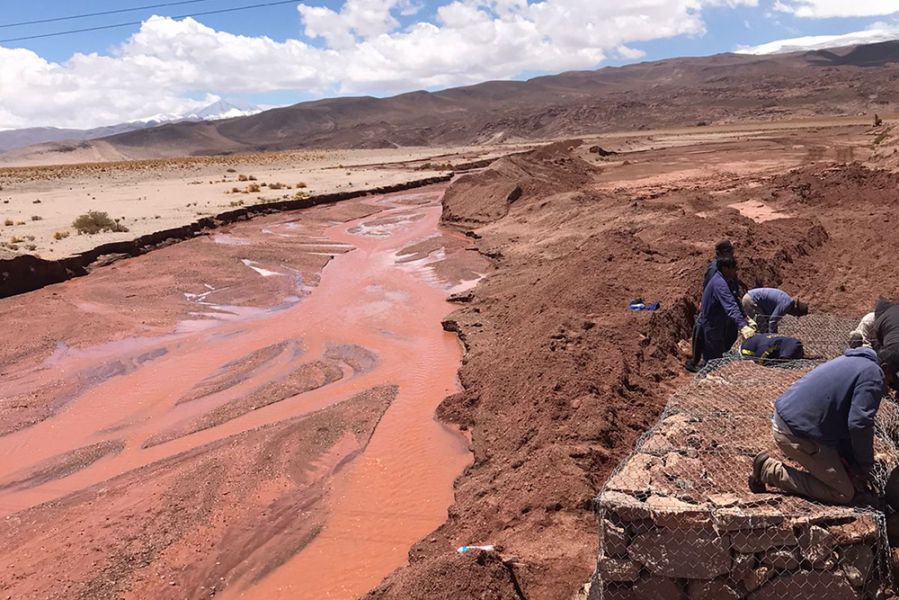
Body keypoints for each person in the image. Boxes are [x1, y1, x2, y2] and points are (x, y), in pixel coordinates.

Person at [749, 346, 899, 504]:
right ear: (885, 368)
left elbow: (847, 424)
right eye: (890, 383)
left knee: (847, 475)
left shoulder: (855, 361)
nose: (887, 390)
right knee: (843, 493)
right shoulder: (874, 374)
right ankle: (769, 471)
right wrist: (865, 465)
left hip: (794, 422)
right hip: (796, 432)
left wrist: (853, 463)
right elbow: (859, 424)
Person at [685, 240, 743, 372]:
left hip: (722, 309)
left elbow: (733, 291)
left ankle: (712, 360)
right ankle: (701, 363)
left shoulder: (727, 267)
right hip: (714, 309)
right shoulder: (715, 270)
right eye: (730, 251)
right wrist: (742, 324)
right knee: (706, 334)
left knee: (721, 336)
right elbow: (717, 292)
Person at [695, 255, 756, 363]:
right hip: (712, 325)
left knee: (718, 353)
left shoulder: (726, 281)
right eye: (733, 269)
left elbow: (735, 299)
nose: (735, 272)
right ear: (725, 268)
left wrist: (745, 317)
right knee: (714, 358)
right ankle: (707, 377)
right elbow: (730, 305)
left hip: (718, 323)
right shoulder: (720, 284)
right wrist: (742, 326)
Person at [741, 288, 808, 334]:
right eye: (796, 314)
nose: (794, 315)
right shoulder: (786, 305)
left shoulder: (786, 301)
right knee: (762, 326)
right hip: (751, 299)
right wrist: (773, 337)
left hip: (752, 298)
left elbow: (771, 320)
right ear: (796, 309)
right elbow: (772, 320)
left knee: (764, 326)